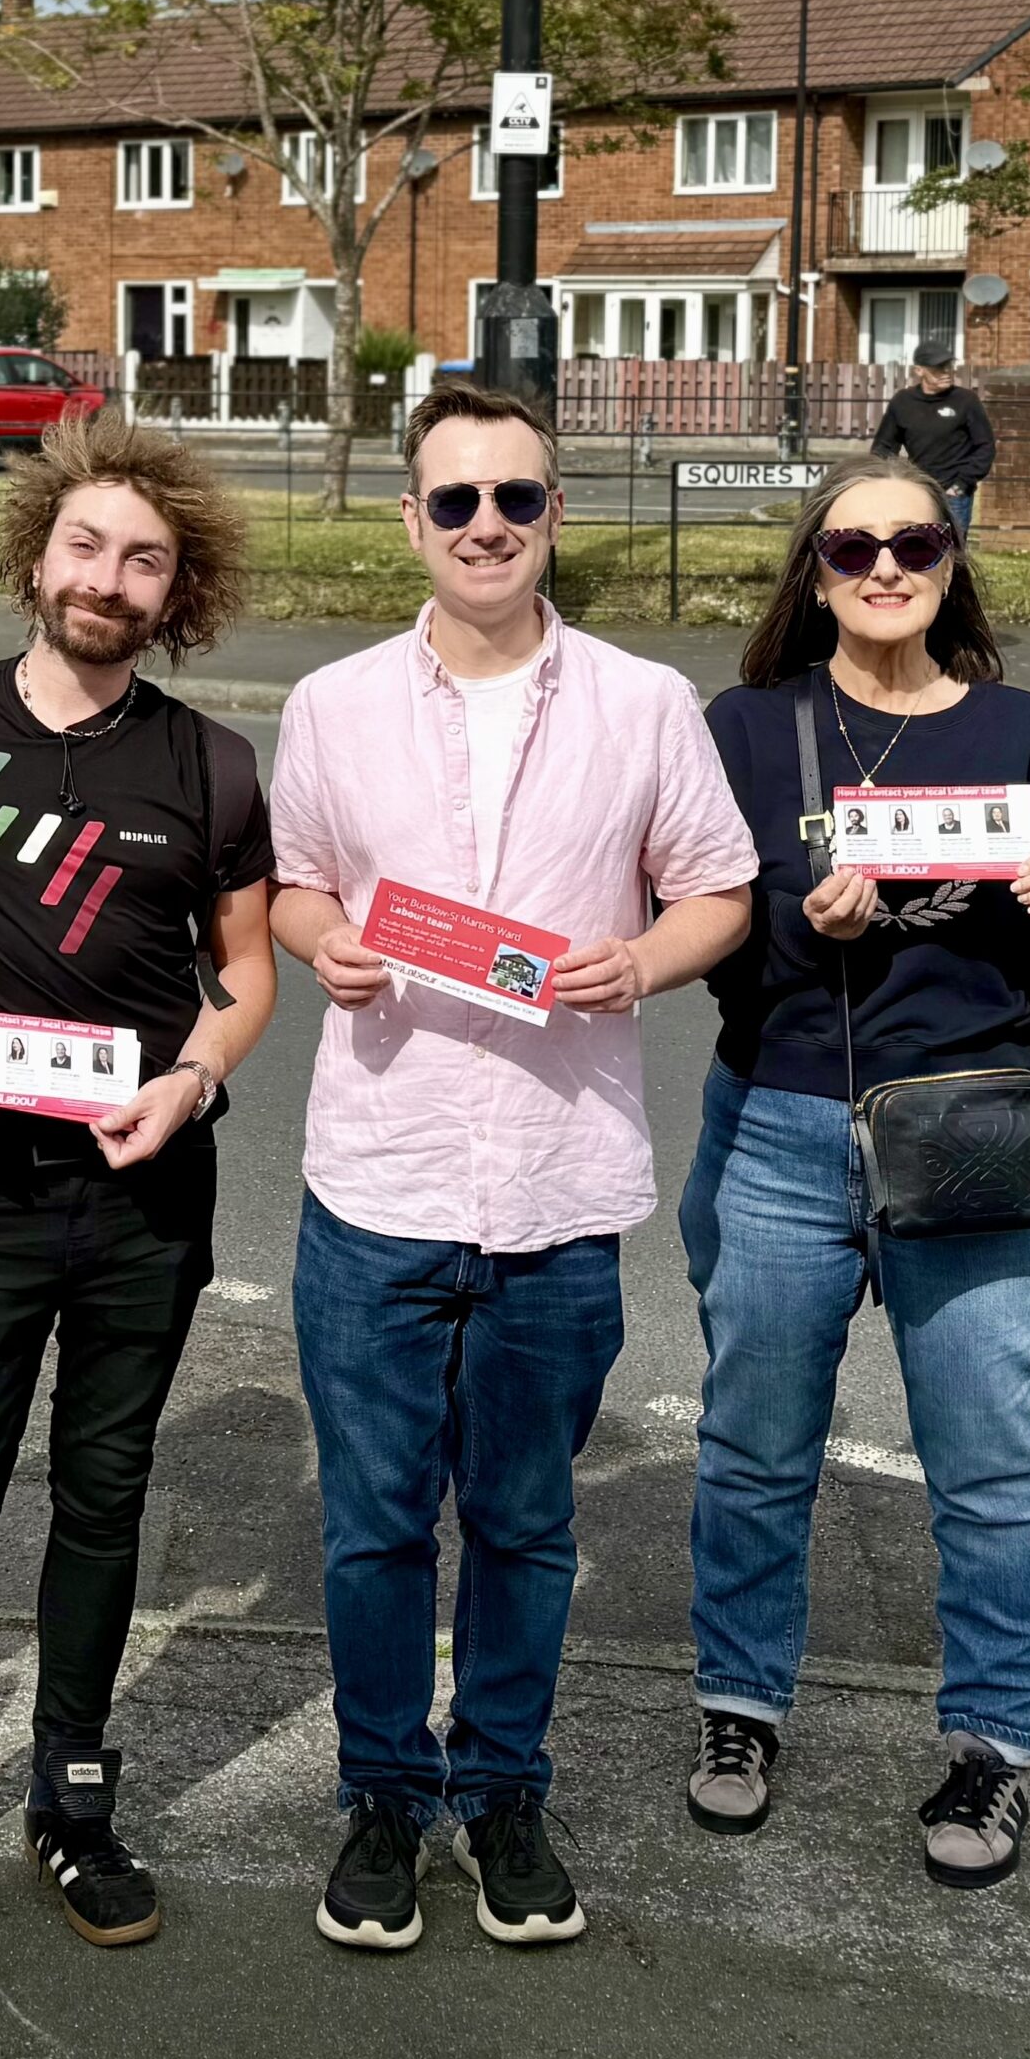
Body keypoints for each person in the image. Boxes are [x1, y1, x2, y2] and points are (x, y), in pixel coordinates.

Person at [270, 379, 758, 1954]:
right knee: (373, 1525)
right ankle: (382, 1797)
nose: (489, 526)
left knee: (531, 1521)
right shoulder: (332, 704)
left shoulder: (642, 702)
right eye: (458, 501)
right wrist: (326, 941)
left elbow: (718, 891)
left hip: (557, 1182)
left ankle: (503, 1791)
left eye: (519, 499)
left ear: (558, 515)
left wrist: (643, 962)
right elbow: (290, 884)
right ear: (409, 520)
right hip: (381, 1178)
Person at [0, 409, 278, 1949]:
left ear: (177, 590)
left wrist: (196, 1076)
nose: (110, 576)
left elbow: (247, 968)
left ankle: (74, 1799)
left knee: (104, 1498)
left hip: (147, 1191)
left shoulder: (210, 762)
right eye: (86, 544)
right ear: (36, 554)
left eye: (145, 558)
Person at [684, 455, 1030, 1884]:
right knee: (754, 1444)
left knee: (990, 1461)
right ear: (814, 571)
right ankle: (741, 1708)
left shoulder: (1023, 729)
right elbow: (709, 952)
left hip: (973, 1129)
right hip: (785, 1122)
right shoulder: (748, 729)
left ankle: (994, 1750)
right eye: (852, 544)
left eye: (913, 541)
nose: (884, 565)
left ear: (950, 558)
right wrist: (809, 929)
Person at [870, 348, 993, 539]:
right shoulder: (903, 402)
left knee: (953, 551)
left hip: (955, 494)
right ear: (919, 371)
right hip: (917, 491)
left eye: (948, 366)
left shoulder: (965, 401)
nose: (946, 372)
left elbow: (985, 446)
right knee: (917, 547)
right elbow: (883, 448)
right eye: (938, 368)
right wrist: (893, 481)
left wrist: (961, 485)